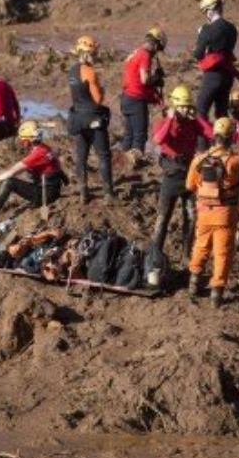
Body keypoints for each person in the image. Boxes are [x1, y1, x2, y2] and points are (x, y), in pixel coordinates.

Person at [147, 85, 214, 288]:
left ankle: (186, 257)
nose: (186, 110)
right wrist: (170, 118)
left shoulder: (193, 123)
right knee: (162, 219)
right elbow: (159, 139)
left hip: (190, 175)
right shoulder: (162, 122)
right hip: (171, 177)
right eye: (182, 107)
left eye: (188, 106)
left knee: (191, 217)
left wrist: (198, 116)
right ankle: (154, 258)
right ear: (175, 106)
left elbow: (210, 133)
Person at [186, 117, 239, 308]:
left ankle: (194, 283)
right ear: (231, 137)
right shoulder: (234, 160)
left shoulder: (199, 159)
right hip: (225, 214)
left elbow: (190, 185)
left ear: (213, 136)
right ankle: (216, 293)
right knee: (222, 253)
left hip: (204, 212)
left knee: (200, 246)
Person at [0, 121, 67, 229]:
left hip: (45, 195)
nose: (22, 142)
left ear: (29, 139)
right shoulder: (45, 148)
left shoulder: (37, 154)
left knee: (9, 182)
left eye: (23, 139)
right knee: (26, 174)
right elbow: (58, 169)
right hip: (51, 189)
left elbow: (11, 172)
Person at [67, 36, 115, 204]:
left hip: (78, 118)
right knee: (103, 155)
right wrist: (101, 90)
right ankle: (108, 194)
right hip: (93, 118)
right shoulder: (90, 72)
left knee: (81, 157)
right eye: (95, 53)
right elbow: (97, 100)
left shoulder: (71, 71)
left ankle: (83, 192)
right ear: (89, 53)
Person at [191, 0, 239, 120]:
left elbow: (198, 54)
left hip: (213, 75)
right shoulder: (232, 28)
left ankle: (203, 140)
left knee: (200, 111)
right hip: (228, 75)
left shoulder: (206, 29)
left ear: (209, 10)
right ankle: (223, 138)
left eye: (205, 11)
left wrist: (200, 35)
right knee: (221, 112)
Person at [120, 27, 167, 156]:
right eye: (159, 48)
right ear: (156, 43)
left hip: (126, 97)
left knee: (129, 134)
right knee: (140, 136)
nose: (157, 52)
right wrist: (156, 78)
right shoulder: (145, 55)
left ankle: (125, 162)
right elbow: (145, 80)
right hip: (136, 99)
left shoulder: (136, 52)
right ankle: (135, 164)